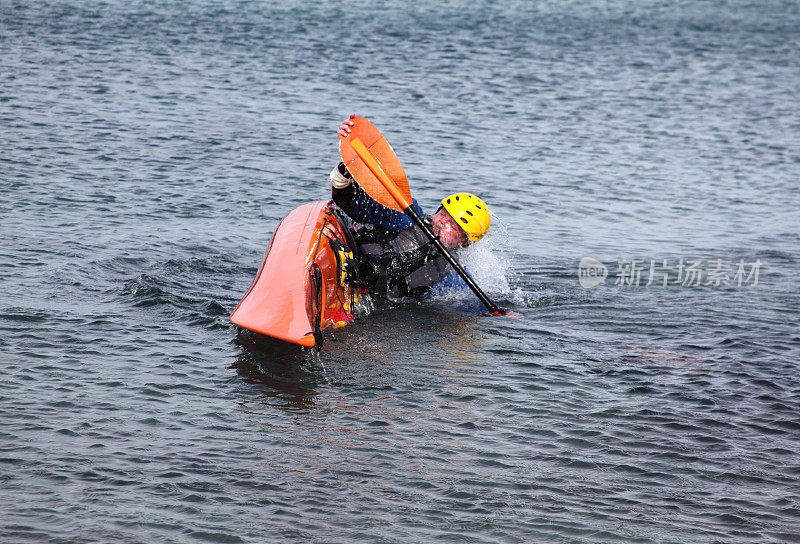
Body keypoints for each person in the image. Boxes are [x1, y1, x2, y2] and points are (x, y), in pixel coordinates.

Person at [330, 115, 492, 300]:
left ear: (464, 242)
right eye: (445, 215)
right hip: (349, 267)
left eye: (454, 226)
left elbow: (470, 304)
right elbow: (350, 203)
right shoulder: (405, 215)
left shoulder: (452, 272)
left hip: (375, 304)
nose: (442, 223)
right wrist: (347, 167)